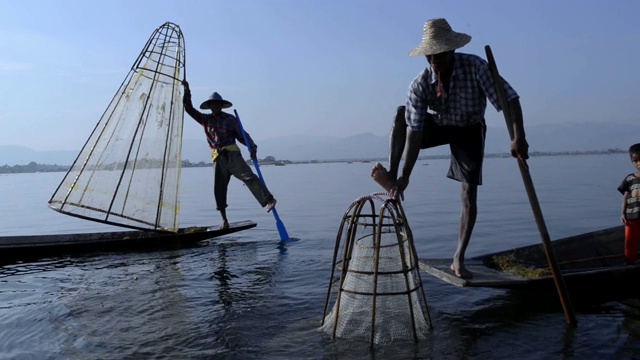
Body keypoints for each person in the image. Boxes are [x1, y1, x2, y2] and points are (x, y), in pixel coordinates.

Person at [371, 18, 529, 279]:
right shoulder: (420, 84)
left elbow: (510, 99)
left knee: (468, 194)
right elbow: (415, 131)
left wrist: (518, 137)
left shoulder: (475, 66)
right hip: (440, 125)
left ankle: (459, 257)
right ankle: (393, 176)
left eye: (440, 54)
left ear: (452, 50)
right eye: (430, 55)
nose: (434, 60)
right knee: (402, 114)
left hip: (469, 128)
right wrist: (405, 176)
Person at [182, 80, 277, 230]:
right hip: (218, 158)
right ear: (210, 106)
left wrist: (252, 147)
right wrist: (187, 91)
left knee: (249, 177)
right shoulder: (206, 119)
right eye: (213, 104)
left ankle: (269, 199)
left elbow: (242, 135)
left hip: (232, 155)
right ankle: (224, 220)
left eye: (217, 104)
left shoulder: (230, 120)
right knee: (218, 189)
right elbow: (189, 109)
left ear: (221, 105)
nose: (215, 107)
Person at [617, 143, 640, 265]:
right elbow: (625, 195)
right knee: (630, 241)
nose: (639, 164)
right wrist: (622, 213)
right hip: (631, 217)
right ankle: (630, 262)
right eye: (635, 161)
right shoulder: (630, 179)